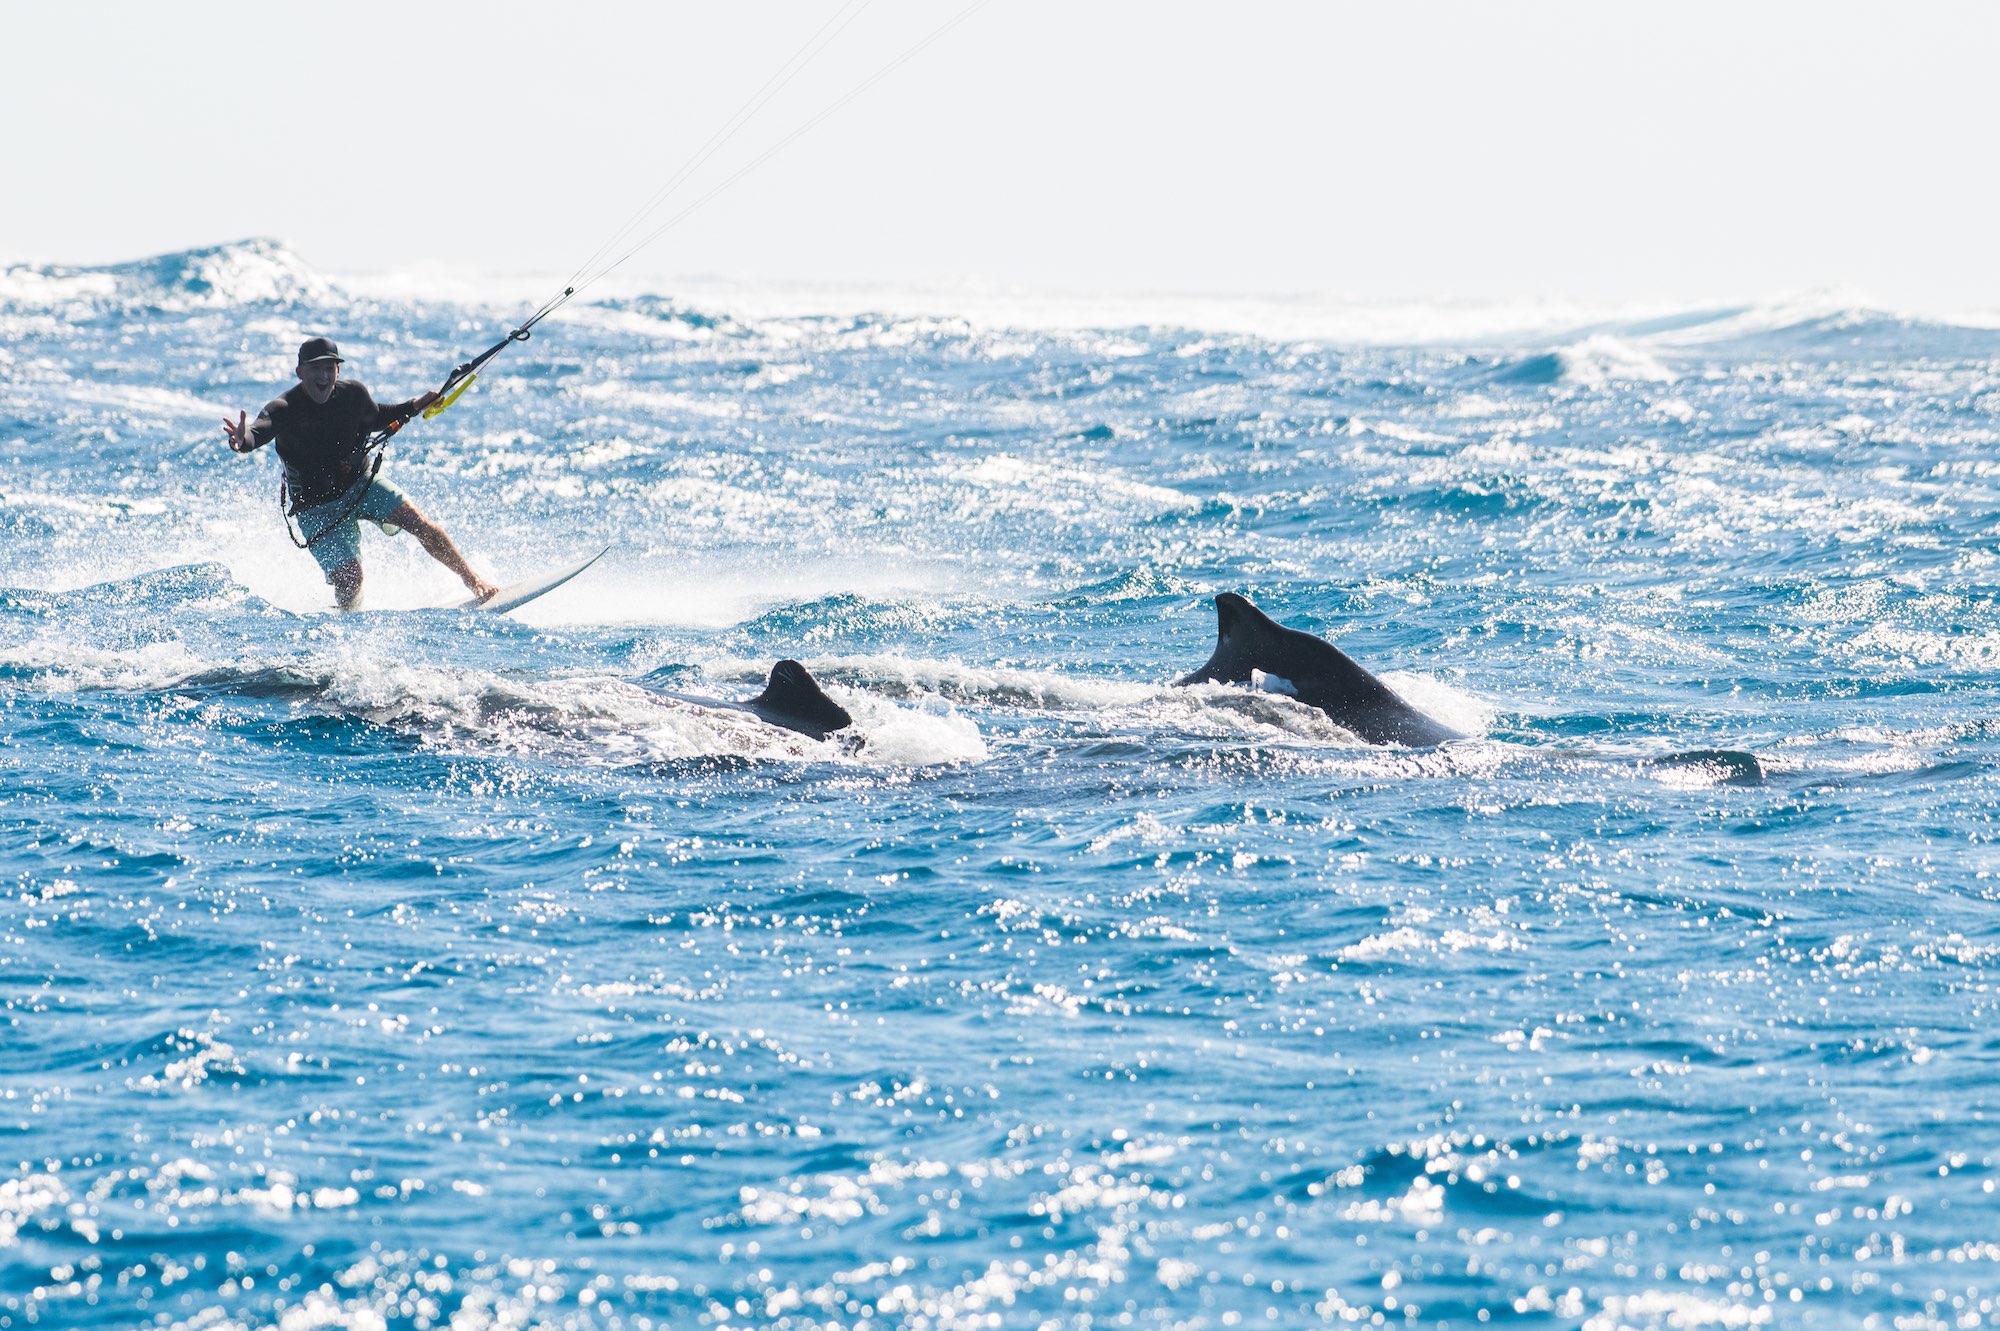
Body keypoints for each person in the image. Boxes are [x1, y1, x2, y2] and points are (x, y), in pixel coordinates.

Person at [222, 336, 499, 610]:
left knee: (420, 524)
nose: (323, 376)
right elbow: (256, 433)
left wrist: (415, 404)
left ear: (338, 371)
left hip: (361, 484)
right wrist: (240, 440)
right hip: (316, 507)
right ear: (300, 372)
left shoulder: (353, 394)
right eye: (315, 369)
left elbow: (378, 417)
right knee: (350, 578)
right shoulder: (283, 408)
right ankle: (349, 622)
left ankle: (474, 582)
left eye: (330, 368)